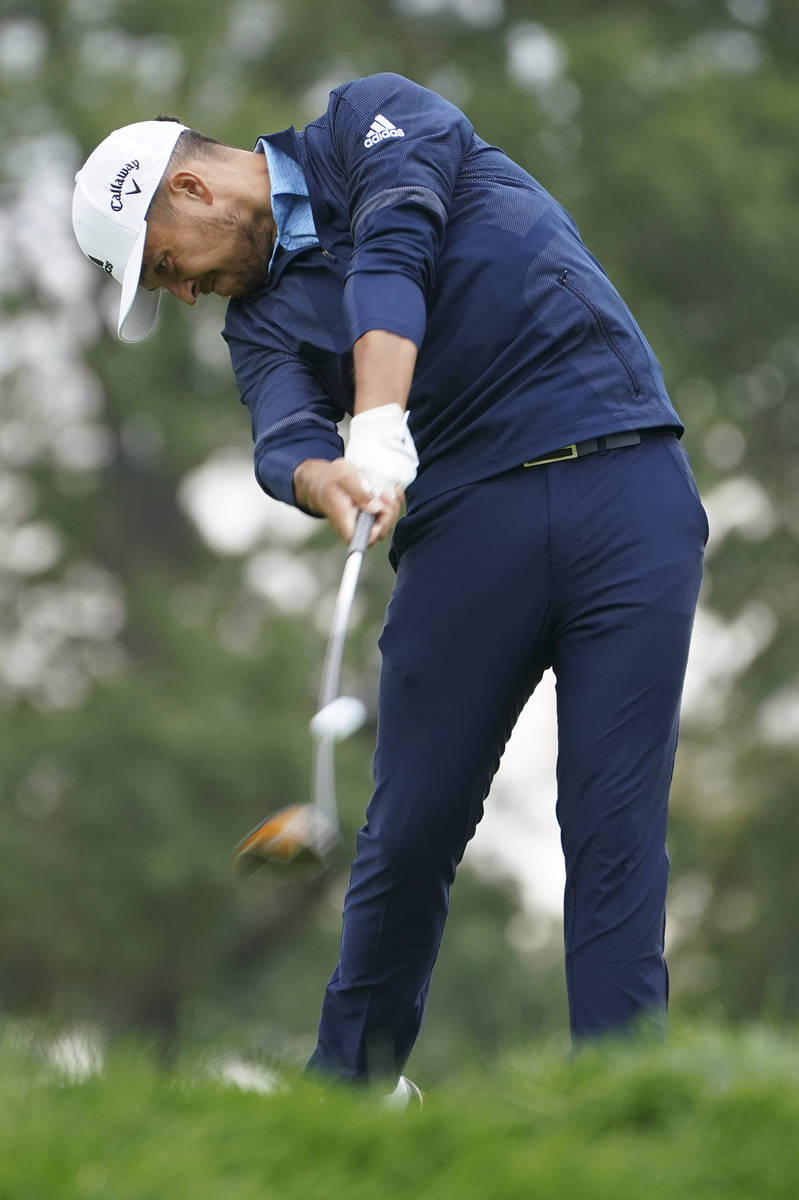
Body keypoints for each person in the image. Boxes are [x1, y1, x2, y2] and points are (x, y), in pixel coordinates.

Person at [72, 72, 708, 1091]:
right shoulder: (258, 322)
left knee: (611, 817)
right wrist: (322, 474)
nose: (183, 295)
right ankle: (354, 1089)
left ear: (186, 191)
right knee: (408, 828)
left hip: (626, 481)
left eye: (163, 271)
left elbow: (395, 244)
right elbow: (280, 432)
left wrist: (374, 419)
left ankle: (620, 1092)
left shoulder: (371, 120)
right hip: (464, 532)